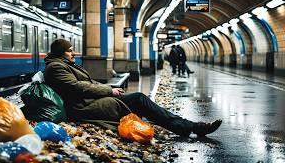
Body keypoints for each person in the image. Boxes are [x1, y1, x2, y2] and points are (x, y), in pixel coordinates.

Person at [44, 39, 222, 137]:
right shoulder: (56, 67)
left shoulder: (63, 64)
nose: (73, 53)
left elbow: (87, 84)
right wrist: (109, 90)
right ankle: (190, 127)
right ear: (60, 53)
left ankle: (187, 126)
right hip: (83, 107)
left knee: (141, 101)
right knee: (139, 99)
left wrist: (108, 88)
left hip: (89, 101)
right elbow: (77, 87)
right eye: (69, 51)